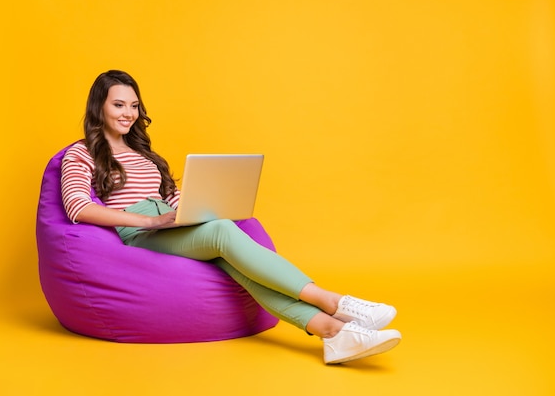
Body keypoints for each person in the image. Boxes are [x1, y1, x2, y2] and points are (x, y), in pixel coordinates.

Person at [61, 69, 402, 364]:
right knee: (223, 233)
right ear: (99, 107)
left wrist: (196, 208)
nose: (128, 113)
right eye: (118, 104)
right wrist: (150, 221)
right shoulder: (81, 153)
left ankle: (334, 332)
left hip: (168, 224)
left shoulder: (143, 152)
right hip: (140, 233)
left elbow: (170, 198)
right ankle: (335, 302)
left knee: (231, 261)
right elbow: (78, 207)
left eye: (134, 105)